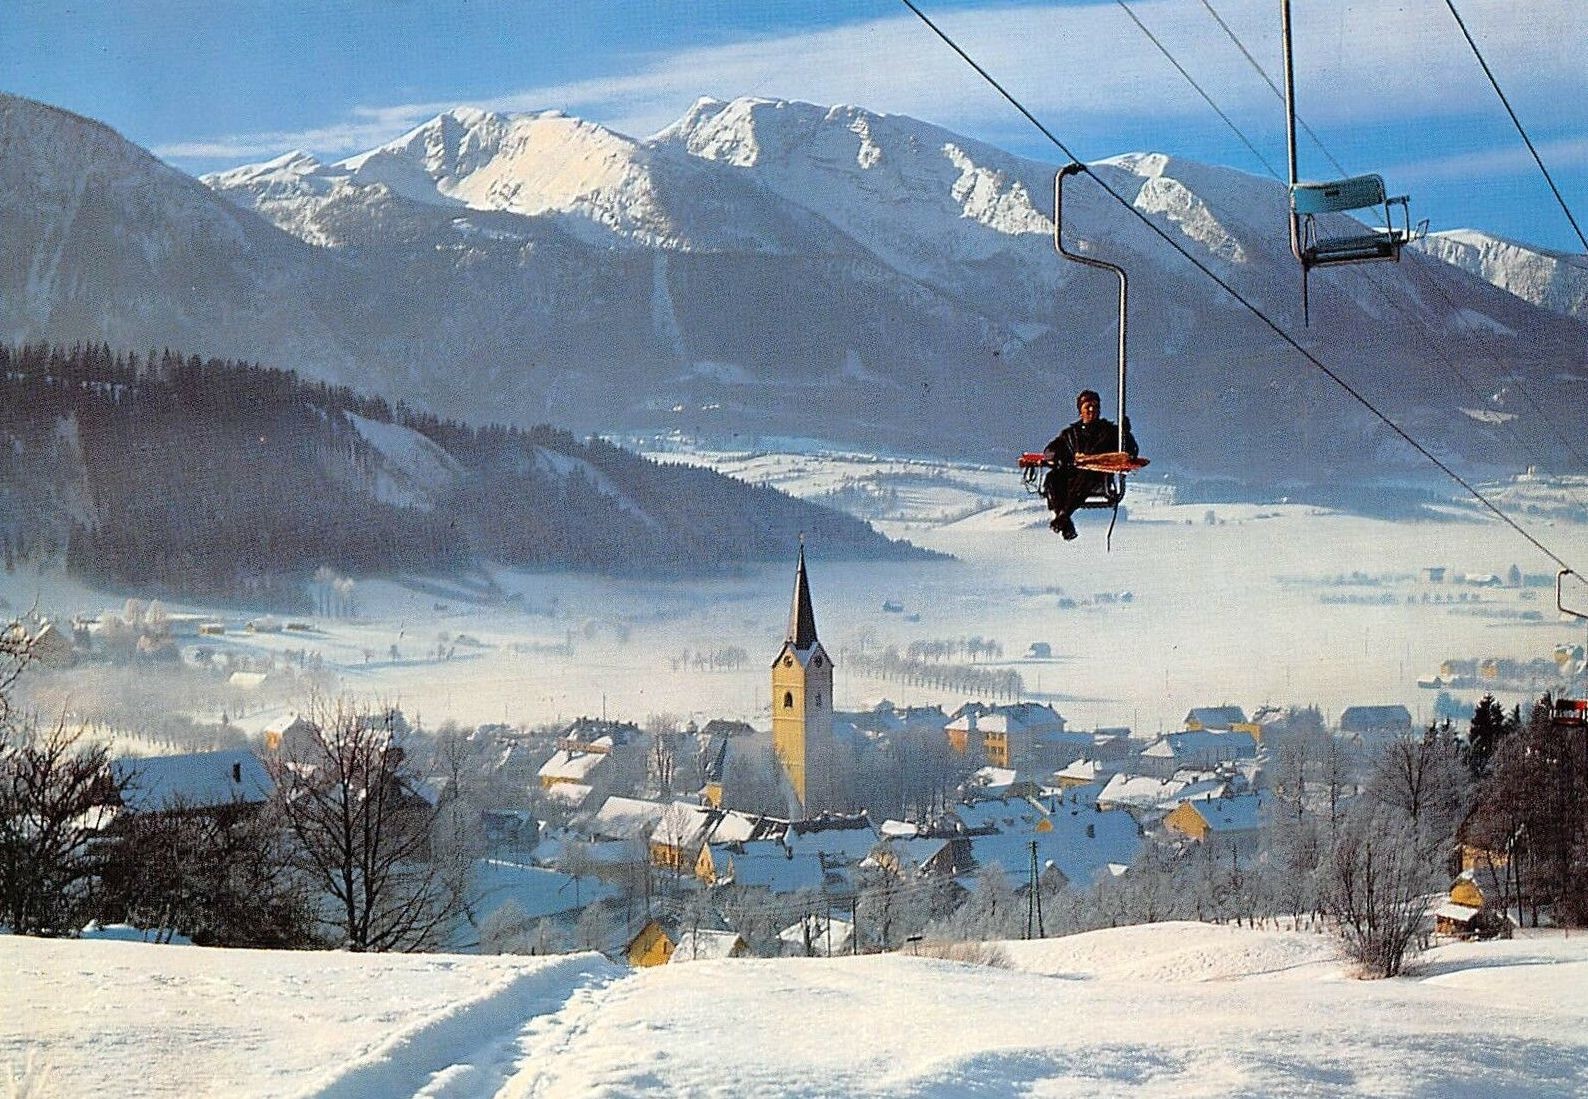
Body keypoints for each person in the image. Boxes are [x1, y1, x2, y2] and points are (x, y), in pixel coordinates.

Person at [1042, 389, 1138, 540]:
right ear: (1080, 410)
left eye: (1095, 406)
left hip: (1097, 477)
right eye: (1088, 406)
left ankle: (1064, 515)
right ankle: (1064, 520)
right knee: (1053, 478)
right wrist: (1056, 457)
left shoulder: (1110, 432)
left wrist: (1125, 434)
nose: (1092, 409)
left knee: (1088, 473)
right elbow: (1049, 450)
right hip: (1073, 476)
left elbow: (1131, 451)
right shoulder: (1071, 434)